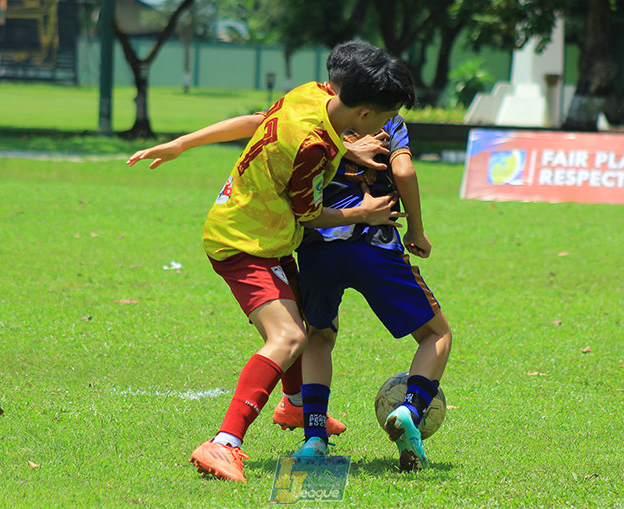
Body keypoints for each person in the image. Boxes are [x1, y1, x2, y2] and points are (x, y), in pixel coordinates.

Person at [127, 41, 416, 483]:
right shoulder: (314, 147)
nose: (385, 125)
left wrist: (182, 143)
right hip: (244, 241)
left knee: (300, 318)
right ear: (363, 113)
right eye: (382, 117)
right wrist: (364, 213)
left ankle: (296, 407)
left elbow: (258, 123)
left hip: (264, 235)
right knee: (287, 336)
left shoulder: (311, 95)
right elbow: (311, 214)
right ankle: (224, 443)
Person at [292, 41, 452, 472]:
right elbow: (403, 170)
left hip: (319, 246)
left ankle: (313, 438)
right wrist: (416, 229)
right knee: (436, 335)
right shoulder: (388, 122)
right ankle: (412, 408)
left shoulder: (318, 117)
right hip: (374, 245)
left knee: (319, 336)